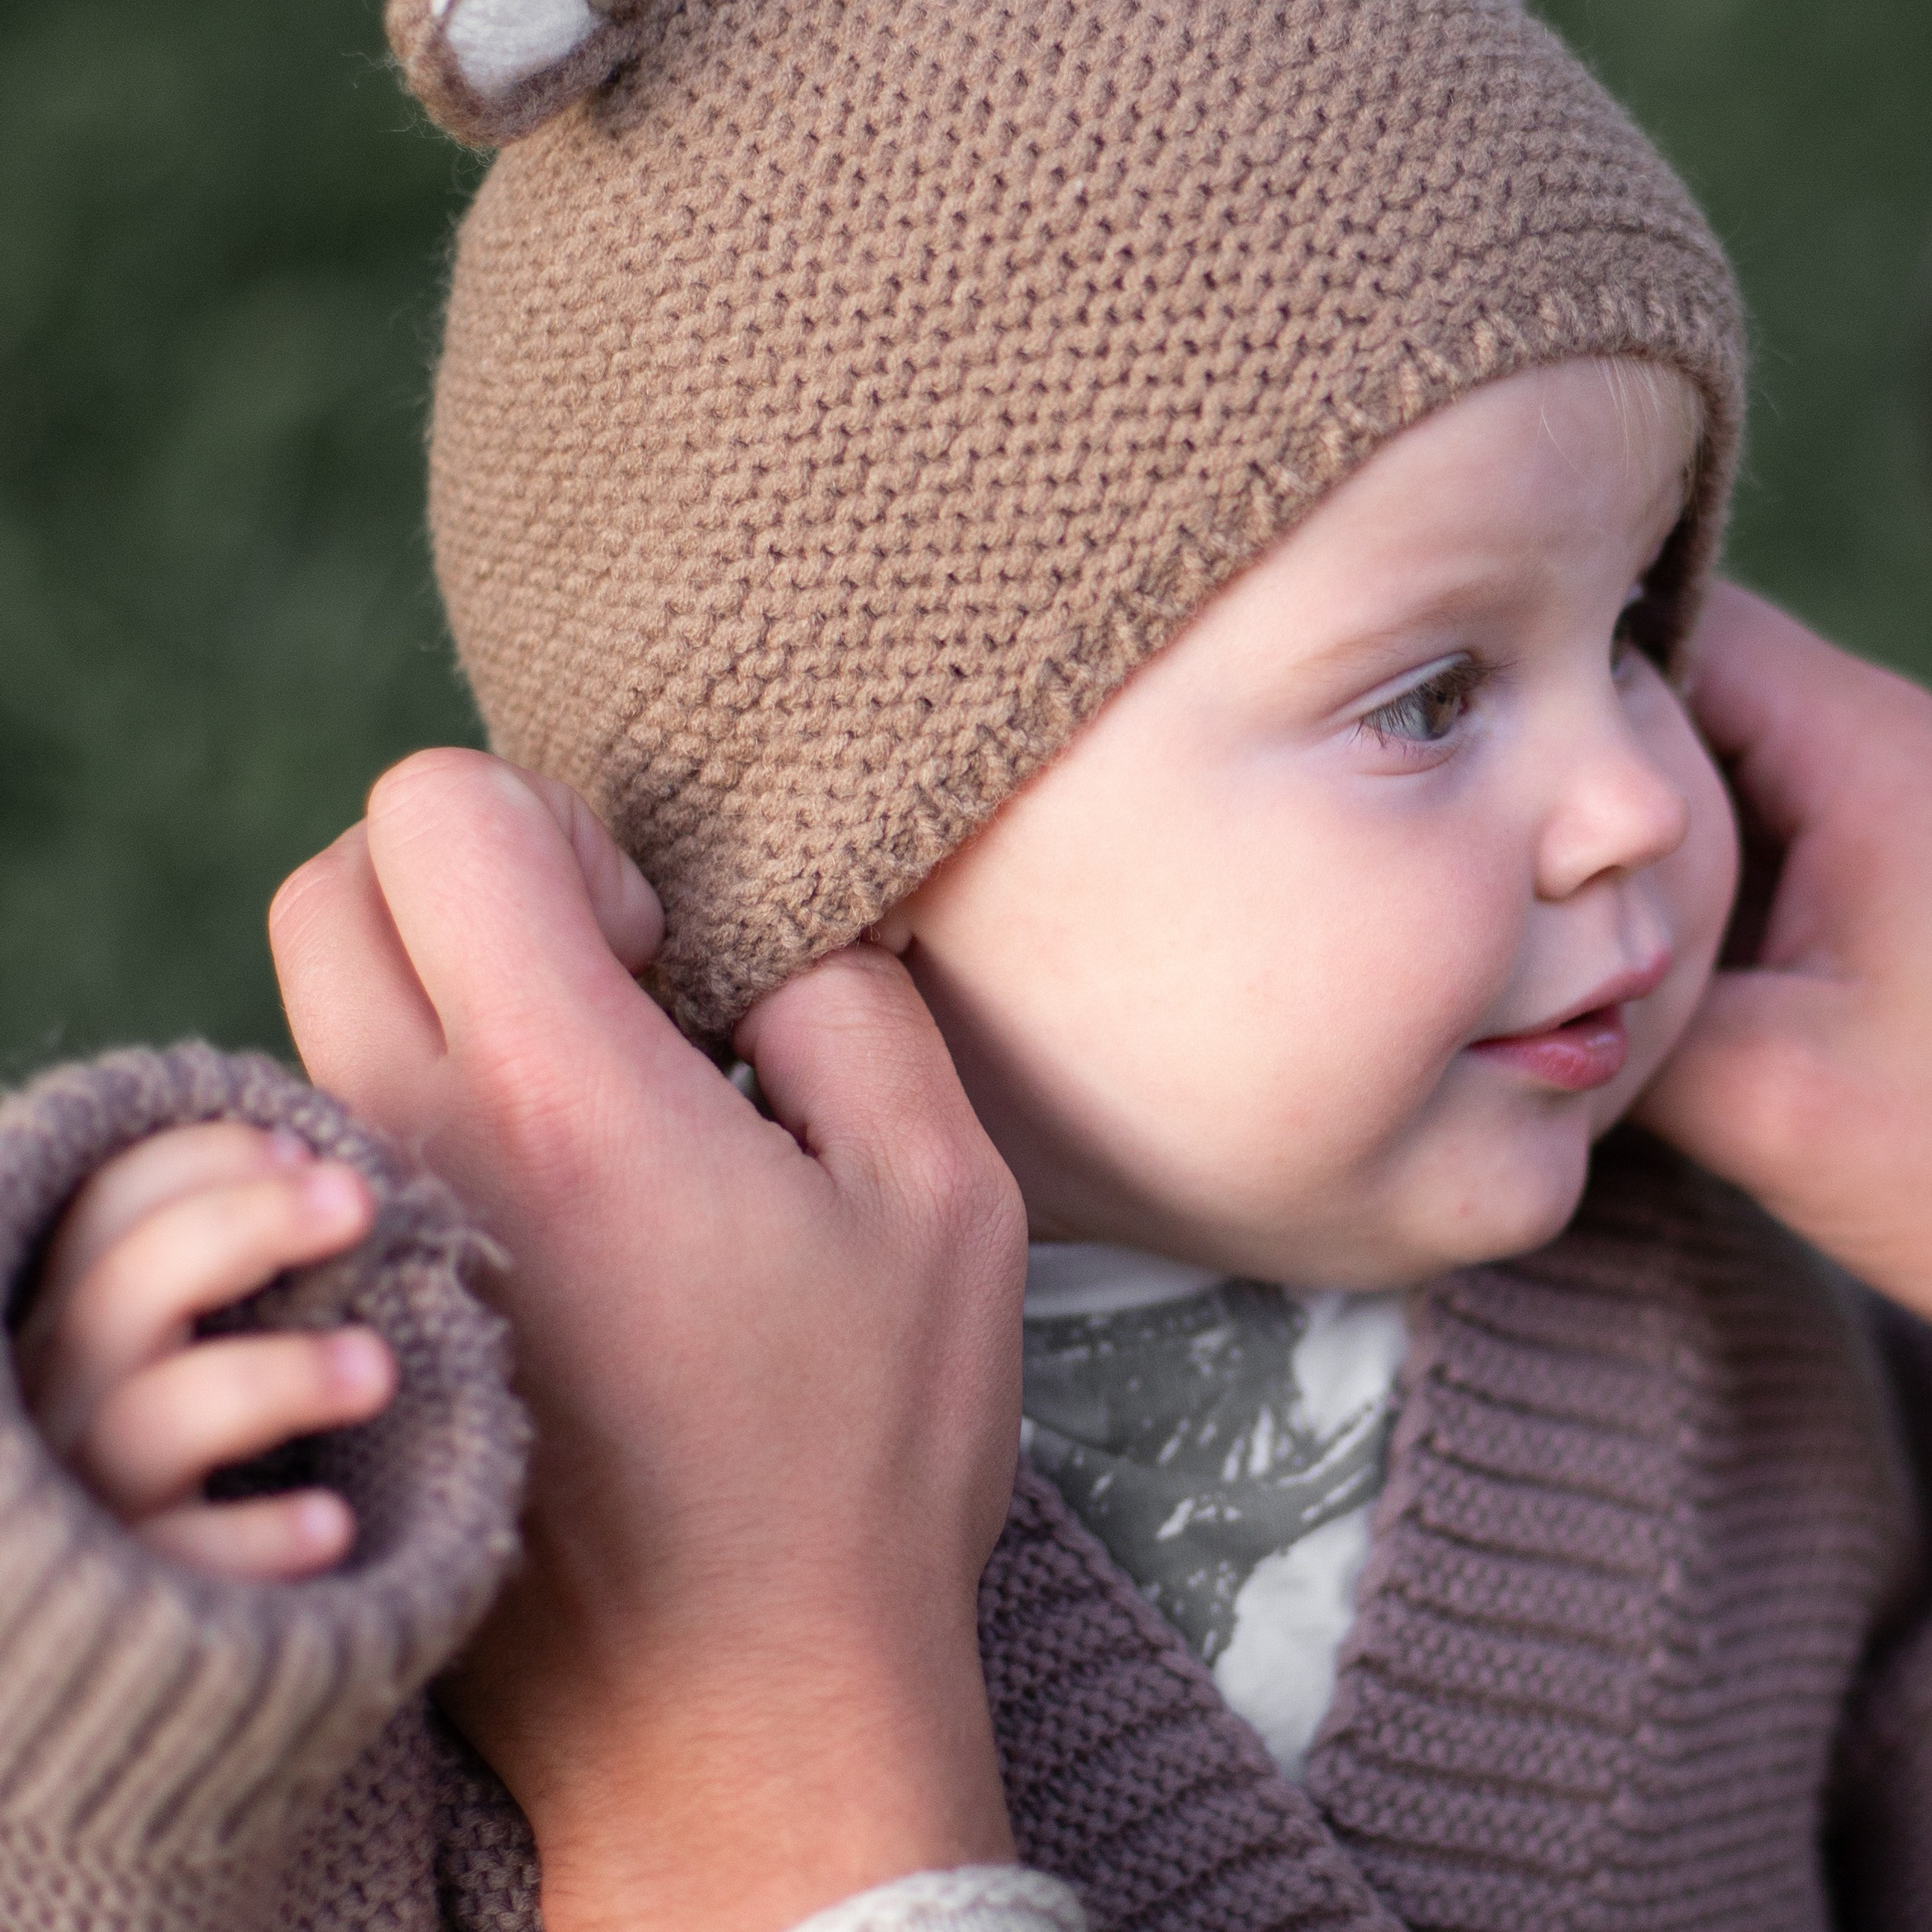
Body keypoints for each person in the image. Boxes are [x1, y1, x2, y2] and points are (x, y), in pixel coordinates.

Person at [2, 5, 1930, 1931]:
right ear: (870, 835)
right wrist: (137, 1636)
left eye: (1626, 622)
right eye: (1428, 695)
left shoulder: (1750, 1327)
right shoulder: (523, 1433)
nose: (1636, 797)